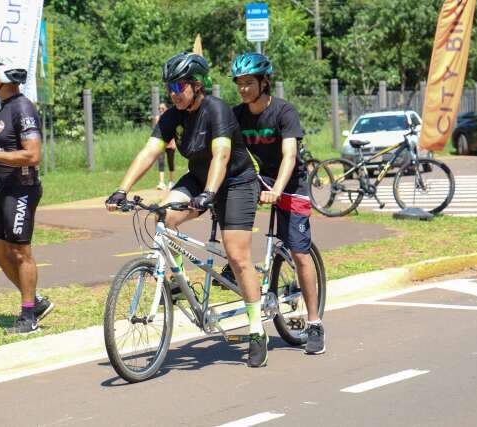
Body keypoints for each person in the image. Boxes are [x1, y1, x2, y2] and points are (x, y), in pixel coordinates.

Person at [106, 52, 270, 368]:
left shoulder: (217, 110)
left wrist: (209, 194)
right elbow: (149, 152)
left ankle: (255, 329)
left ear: (197, 85)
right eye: (170, 86)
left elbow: (221, 155)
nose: (173, 92)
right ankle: (179, 281)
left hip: (235, 182)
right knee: (164, 216)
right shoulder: (173, 116)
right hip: (198, 178)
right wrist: (122, 189)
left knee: (237, 256)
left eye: (179, 85)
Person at [231, 52, 325, 354]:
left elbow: (289, 156)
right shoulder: (237, 115)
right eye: (239, 83)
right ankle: (233, 266)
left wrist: (278, 189)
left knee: (298, 253)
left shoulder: (284, 112)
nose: (243, 89)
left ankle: (314, 323)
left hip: (290, 183)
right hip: (256, 181)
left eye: (249, 83)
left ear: (264, 82)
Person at [0, 57, 53, 334]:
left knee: (20, 252)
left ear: (0, 80)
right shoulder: (1, 107)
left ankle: (28, 317)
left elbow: (33, 155)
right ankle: (35, 300)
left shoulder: (22, 107)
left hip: (22, 188)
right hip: (2, 187)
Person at [154, 103, 176, 190]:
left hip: (170, 144)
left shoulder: (171, 118)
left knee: (171, 162)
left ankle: (171, 182)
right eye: (159, 108)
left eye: (162, 108)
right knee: (161, 162)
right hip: (161, 143)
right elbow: (157, 131)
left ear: (166, 109)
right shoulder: (158, 118)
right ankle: (161, 182)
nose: (161, 110)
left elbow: (174, 131)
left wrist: (174, 142)